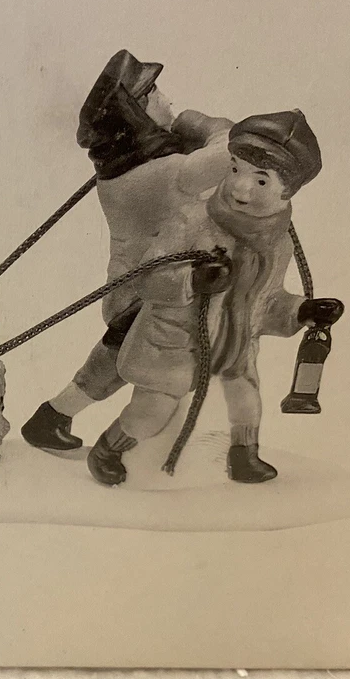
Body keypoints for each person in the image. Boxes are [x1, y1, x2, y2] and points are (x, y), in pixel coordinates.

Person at [86, 110, 344, 485]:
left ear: (287, 191)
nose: (240, 188)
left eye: (260, 180)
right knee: (150, 413)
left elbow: (265, 302)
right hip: (172, 344)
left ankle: (243, 457)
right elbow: (148, 278)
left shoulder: (278, 243)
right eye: (235, 169)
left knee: (246, 402)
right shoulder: (192, 221)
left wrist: (301, 311)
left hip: (232, 343)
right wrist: (192, 279)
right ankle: (108, 449)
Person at [22, 49, 235, 451]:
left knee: (115, 364)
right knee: (150, 370)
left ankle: (51, 418)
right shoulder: (164, 174)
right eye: (156, 95)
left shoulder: (124, 169)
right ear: (135, 115)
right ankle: (134, 446)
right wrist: (200, 123)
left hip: (133, 290)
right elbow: (231, 152)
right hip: (152, 290)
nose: (168, 101)